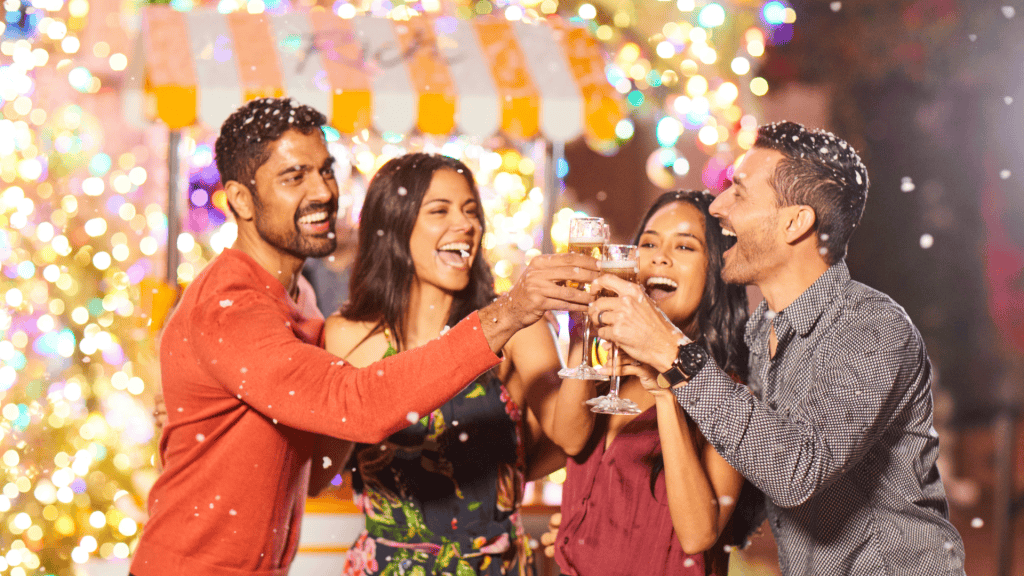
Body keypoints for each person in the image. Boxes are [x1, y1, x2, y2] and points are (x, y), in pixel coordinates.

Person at [129, 98, 599, 576]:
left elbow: (316, 443)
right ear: (241, 200)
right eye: (294, 177)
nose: (323, 191)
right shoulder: (232, 306)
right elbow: (356, 404)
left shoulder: (301, 300)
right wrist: (508, 313)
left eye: (325, 170)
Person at [590, 121, 967, 575]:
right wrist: (593, 531)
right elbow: (749, 489)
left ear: (795, 223)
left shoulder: (872, 329)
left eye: (739, 192)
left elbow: (796, 472)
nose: (717, 206)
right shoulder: (759, 333)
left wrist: (675, 353)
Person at [324, 152, 592, 575]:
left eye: (470, 210)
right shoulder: (348, 335)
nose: (465, 224)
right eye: (440, 210)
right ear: (393, 225)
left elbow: (571, 438)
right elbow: (320, 466)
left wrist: (582, 332)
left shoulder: (516, 323)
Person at [545, 191, 759, 576]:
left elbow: (698, 535)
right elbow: (569, 439)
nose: (660, 257)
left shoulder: (729, 394)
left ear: (716, 270)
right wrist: (591, 323)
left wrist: (666, 393)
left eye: (684, 246)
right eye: (648, 243)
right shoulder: (608, 369)